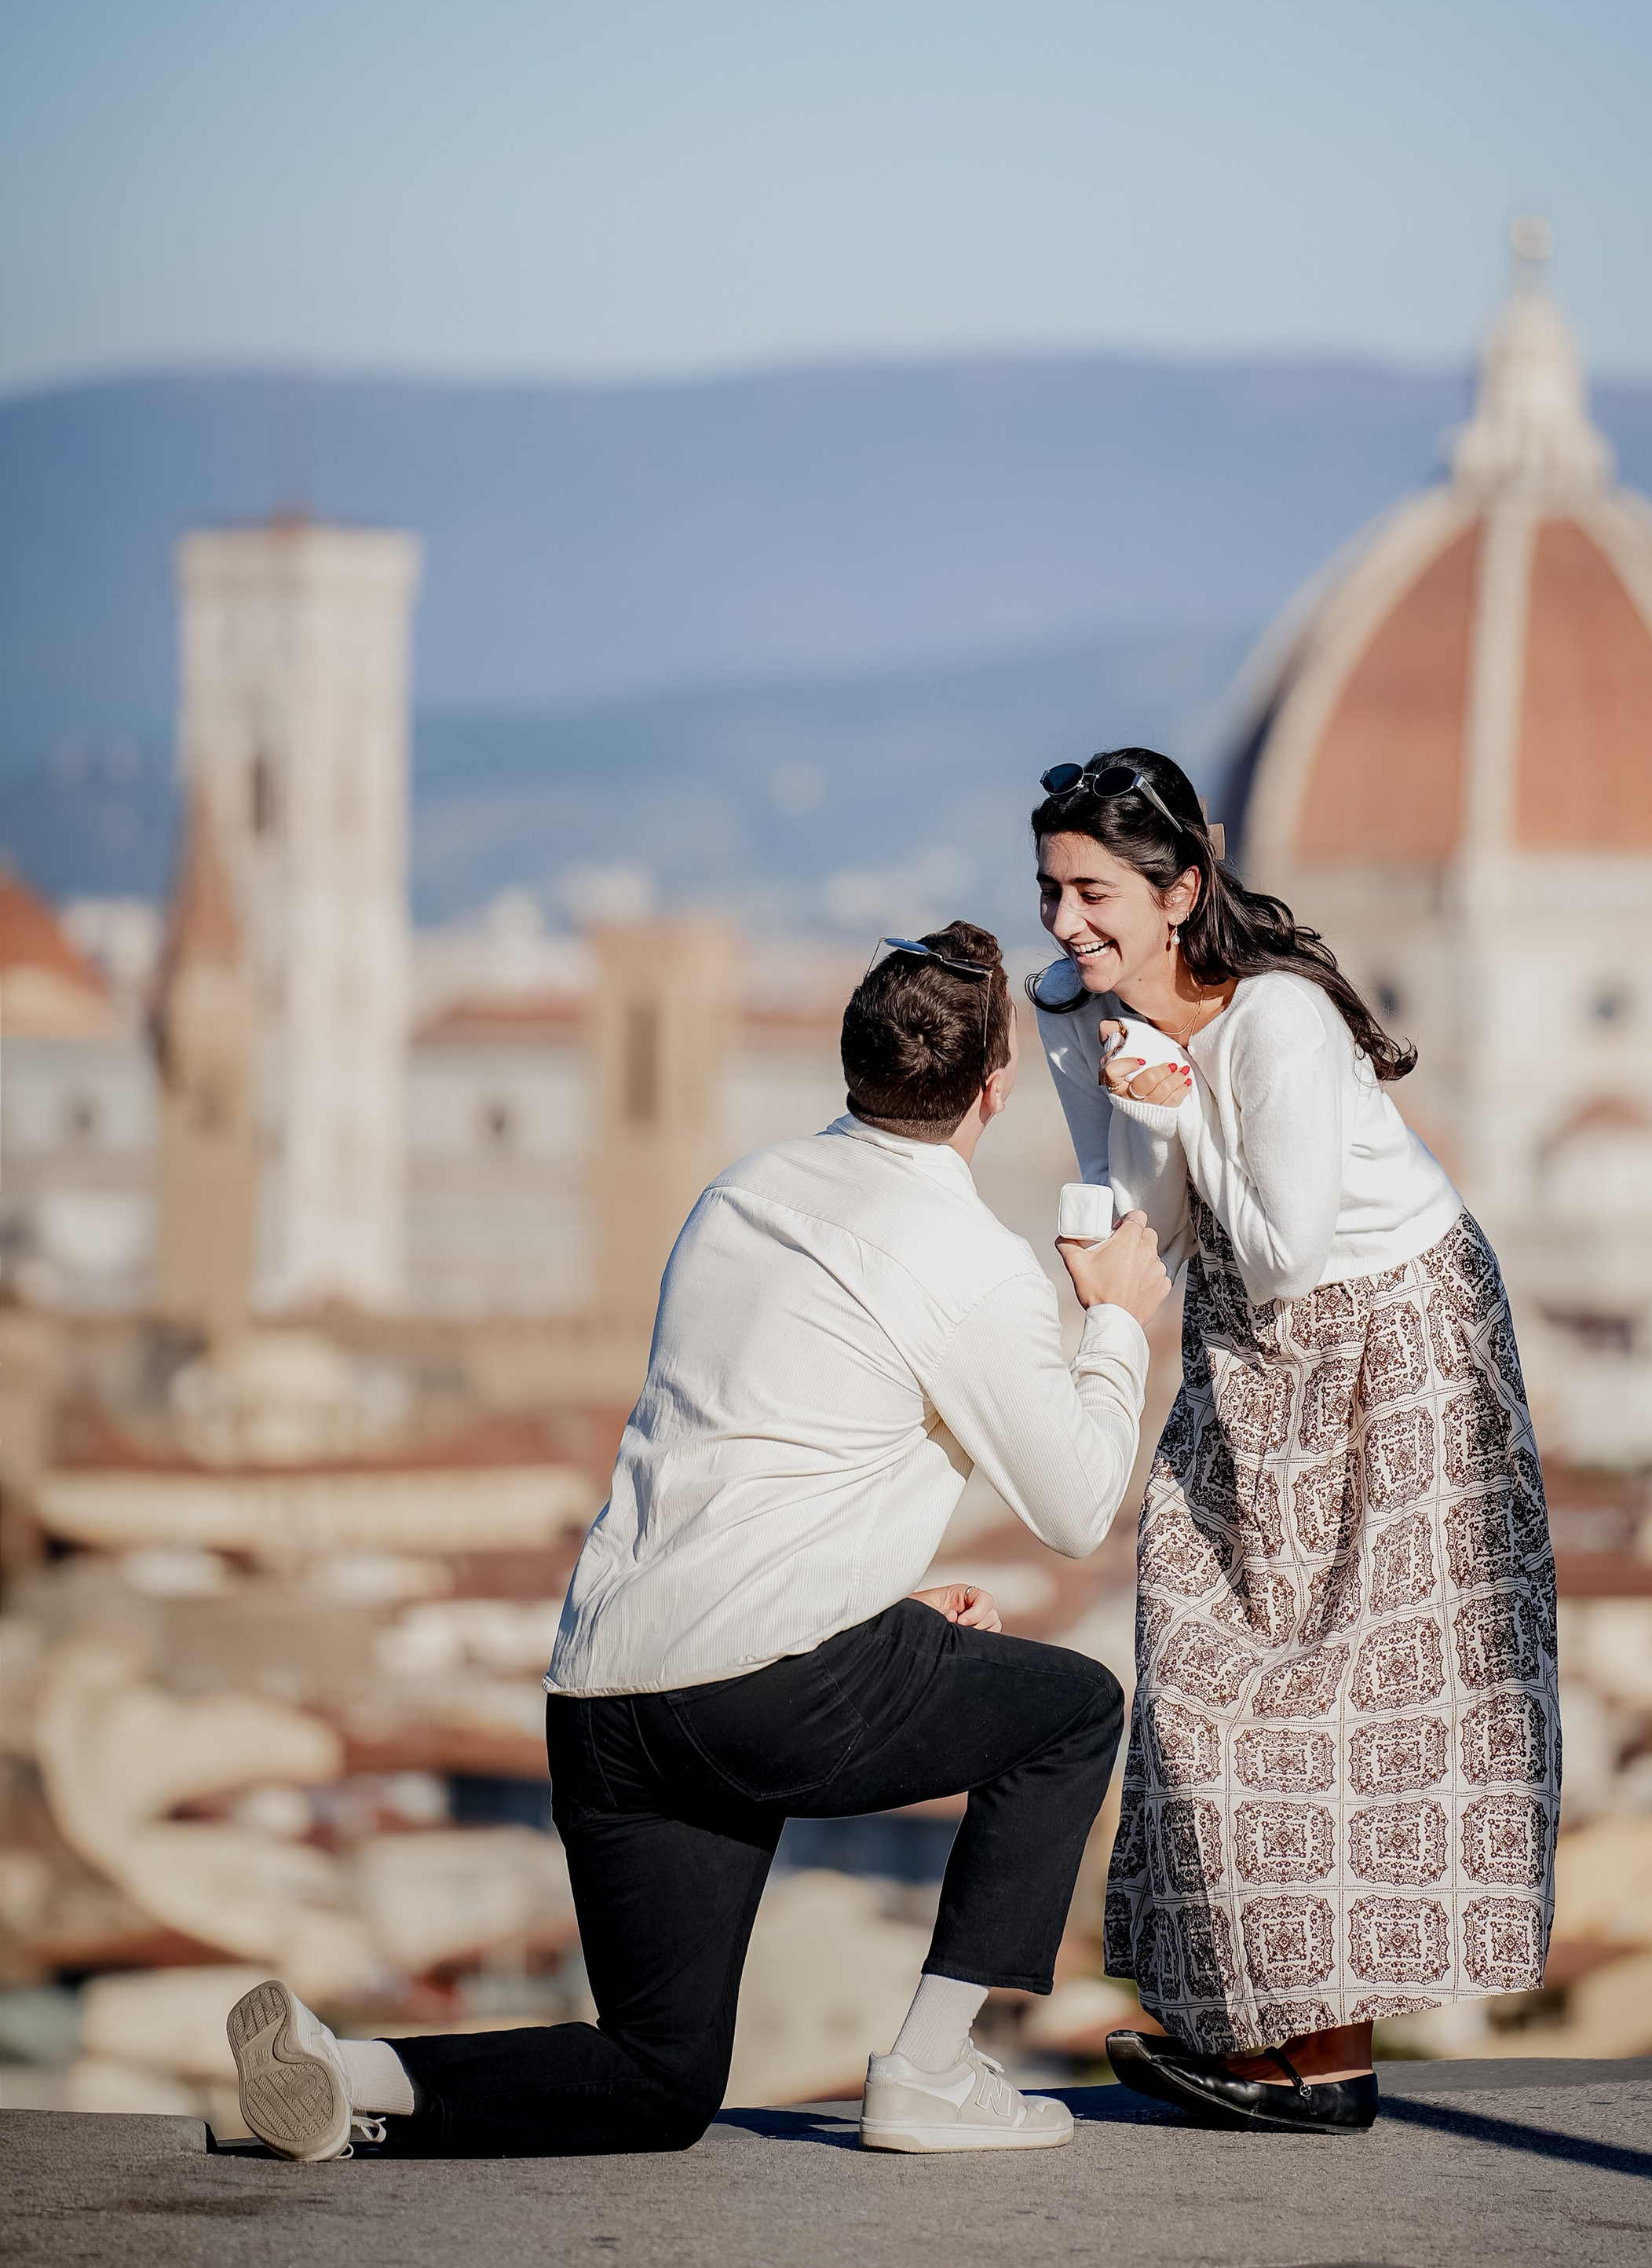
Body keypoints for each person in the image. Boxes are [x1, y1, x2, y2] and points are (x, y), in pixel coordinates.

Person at [227, 922, 1168, 2163]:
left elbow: (763, 1462)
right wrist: (1114, 1324)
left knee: (659, 2079)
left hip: (607, 1690)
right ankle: (933, 2070)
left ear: (854, 1062)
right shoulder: (969, 1262)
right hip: (757, 1693)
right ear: (994, 1087)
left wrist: (879, 1613)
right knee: (1074, 1710)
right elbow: (1077, 1504)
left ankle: (346, 2073)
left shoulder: (741, 1196)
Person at [1028, 752, 1559, 2136]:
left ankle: (1319, 2062)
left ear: (1180, 889)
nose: (1068, 922)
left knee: (1346, 1708)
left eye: (1093, 893)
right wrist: (1108, 1082)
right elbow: (1150, 1215)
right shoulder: (1078, 1006)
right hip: (1247, 1352)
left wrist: (1170, 1094)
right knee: (1195, 1650)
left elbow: (1280, 1252)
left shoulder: (1276, 1023)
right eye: (1053, 893)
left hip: (1399, 1347)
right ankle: (1259, 2034)